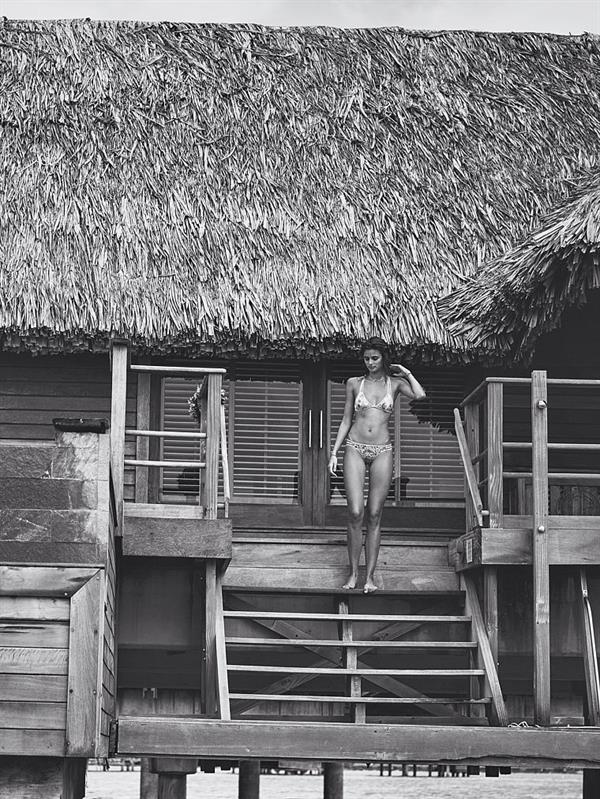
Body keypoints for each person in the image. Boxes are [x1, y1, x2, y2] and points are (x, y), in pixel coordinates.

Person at [328, 338, 426, 593]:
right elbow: (346, 419)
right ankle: (352, 574)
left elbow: (420, 394)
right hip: (354, 448)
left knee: (374, 514)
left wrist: (406, 372)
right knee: (356, 511)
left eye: (375, 358)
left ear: (384, 358)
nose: (370, 363)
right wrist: (334, 452)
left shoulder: (394, 384)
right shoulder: (353, 384)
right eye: (366, 358)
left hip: (383, 450)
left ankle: (369, 577)